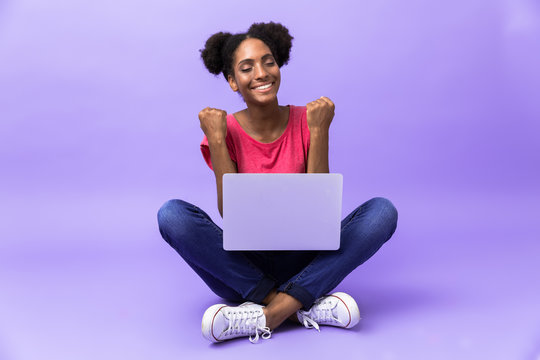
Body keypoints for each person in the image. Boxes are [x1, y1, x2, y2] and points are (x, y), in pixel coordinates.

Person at [157, 21, 398, 344]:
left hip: (308, 260)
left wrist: (319, 132)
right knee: (172, 215)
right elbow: (231, 212)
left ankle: (268, 313)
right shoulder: (223, 129)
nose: (261, 73)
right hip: (243, 270)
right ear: (232, 81)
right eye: (247, 68)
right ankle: (299, 305)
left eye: (268, 61)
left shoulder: (310, 118)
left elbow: (318, 209)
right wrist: (216, 138)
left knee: (382, 212)